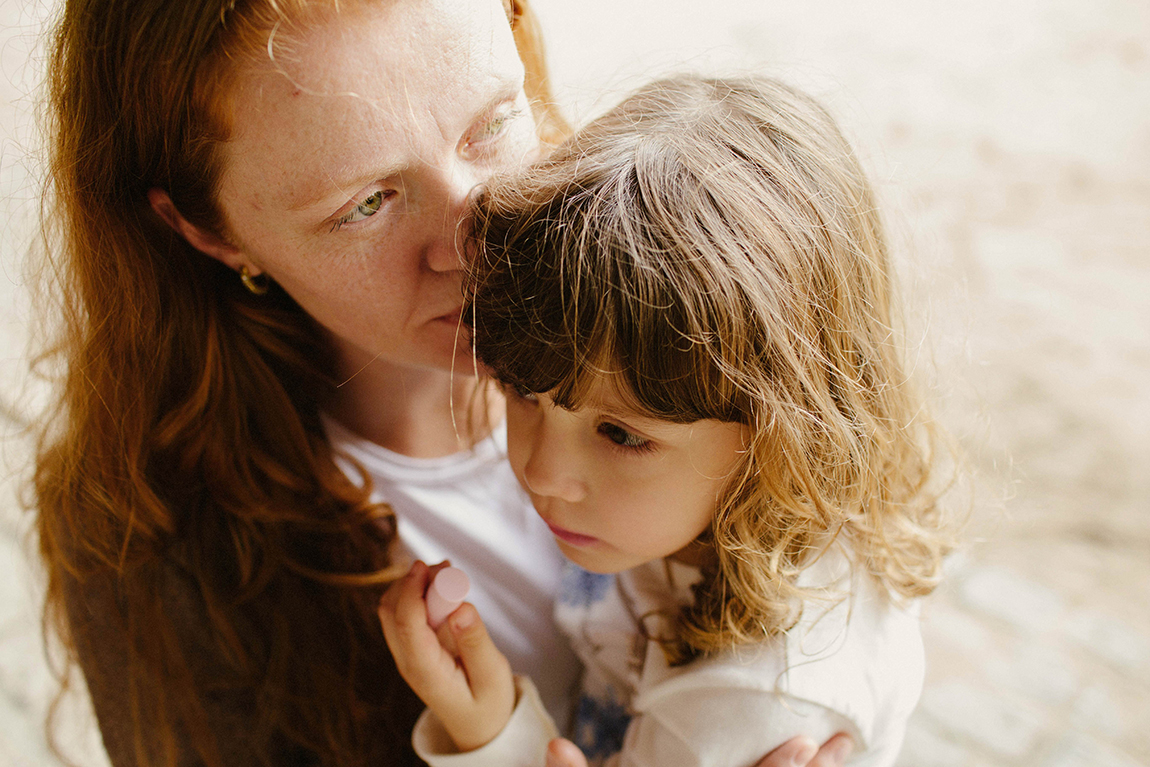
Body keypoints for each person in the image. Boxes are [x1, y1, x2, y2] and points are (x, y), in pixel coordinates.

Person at [32, 0, 851, 764]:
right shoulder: (160, 557)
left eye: (493, 123)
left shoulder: (693, 282)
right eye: (365, 204)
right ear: (206, 230)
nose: (475, 233)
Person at [378, 75, 951, 766]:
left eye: (622, 434)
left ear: (782, 437)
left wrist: (495, 734)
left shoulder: (746, 705)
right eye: (523, 390)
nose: (541, 472)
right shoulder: (690, 512)